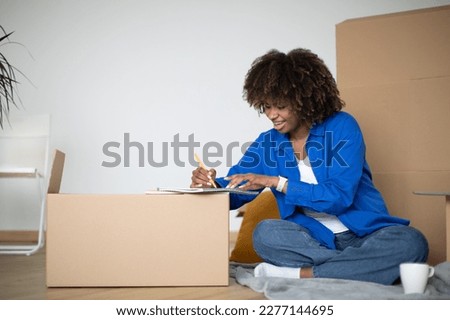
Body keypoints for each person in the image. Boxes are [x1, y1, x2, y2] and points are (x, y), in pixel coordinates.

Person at [190, 48, 429, 285]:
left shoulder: (342, 127)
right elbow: (238, 188)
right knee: (265, 234)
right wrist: (210, 186)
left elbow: (339, 197)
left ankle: (303, 274)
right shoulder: (268, 142)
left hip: (364, 235)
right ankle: (360, 268)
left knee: (411, 242)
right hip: (312, 240)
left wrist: (277, 182)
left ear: (302, 99)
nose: (272, 115)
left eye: (280, 106)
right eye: (266, 107)